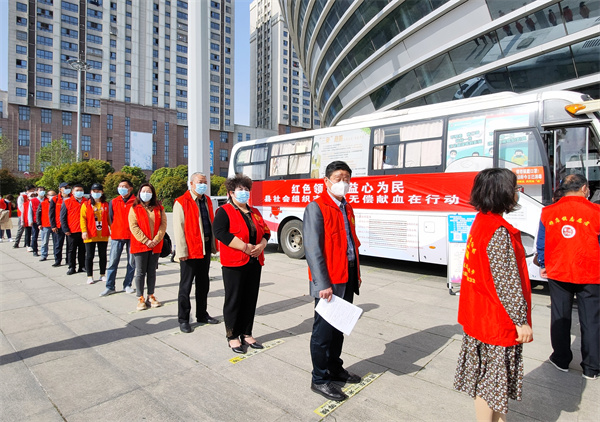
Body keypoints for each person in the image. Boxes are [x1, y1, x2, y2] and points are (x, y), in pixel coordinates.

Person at [454, 168, 533, 420]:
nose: (517, 193)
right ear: (503, 193)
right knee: (491, 384)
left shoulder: (481, 221)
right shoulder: (498, 231)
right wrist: (521, 322)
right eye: (515, 188)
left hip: (479, 313)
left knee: (489, 382)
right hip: (496, 320)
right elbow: (507, 283)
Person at [304, 161, 363, 402]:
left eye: (347, 178)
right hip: (329, 281)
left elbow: (351, 243)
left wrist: (356, 274)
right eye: (338, 178)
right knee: (323, 332)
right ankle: (319, 379)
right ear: (326, 181)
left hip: (347, 275)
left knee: (339, 327)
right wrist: (322, 284)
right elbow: (312, 249)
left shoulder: (346, 207)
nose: (344, 183)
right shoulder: (316, 207)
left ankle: (335, 368)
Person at [536, 174, 600, 380]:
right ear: (584, 188)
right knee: (591, 320)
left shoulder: (548, 212)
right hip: (590, 273)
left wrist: (544, 264)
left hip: (558, 272)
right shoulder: (596, 211)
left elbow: (542, 242)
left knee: (560, 316)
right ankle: (591, 367)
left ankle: (561, 359)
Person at [213, 174, 270, 353]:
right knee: (234, 300)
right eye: (240, 189)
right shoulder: (224, 211)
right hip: (234, 263)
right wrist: (245, 247)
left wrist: (261, 246)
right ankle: (232, 335)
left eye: (246, 189)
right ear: (231, 193)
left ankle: (247, 333)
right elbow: (220, 232)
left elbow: (266, 232)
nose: (244, 192)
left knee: (250, 298)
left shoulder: (255, 212)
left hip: (254, 261)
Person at [174, 172, 219, 334]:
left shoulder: (207, 200)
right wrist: (182, 251)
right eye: (200, 182)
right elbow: (178, 229)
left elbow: (210, 222)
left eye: (205, 182)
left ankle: (202, 314)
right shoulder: (181, 202)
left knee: (203, 284)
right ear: (191, 184)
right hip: (190, 250)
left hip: (204, 248)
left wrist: (213, 245)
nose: (203, 184)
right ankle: (184, 319)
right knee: (185, 287)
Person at [128, 183, 166, 311]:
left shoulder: (159, 208)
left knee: (151, 271)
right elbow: (133, 226)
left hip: (155, 245)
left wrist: (155, 240)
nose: (146, 193)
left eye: (148, 191)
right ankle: (140, 297)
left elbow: (163, 225)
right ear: (139, 193)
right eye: (143, 191)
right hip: (140, 245)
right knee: (140, 272)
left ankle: (151, 295)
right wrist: (145, 240)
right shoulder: (134, 208)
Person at [101, 179, 137, 296]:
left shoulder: (136, 201)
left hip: (132, 236)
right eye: (120, 186)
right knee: (113, 262)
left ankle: (127, 284)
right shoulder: (114, 201)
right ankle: (110, 286)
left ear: (130, 188)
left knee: (131, 262)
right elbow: (111, 218)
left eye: (124, 186)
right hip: (117, 235)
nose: (121, 188)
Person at [81, 184, 110, 285]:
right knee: (89, 256)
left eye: (98, 191)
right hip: (90, 234)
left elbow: (109, 219)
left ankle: (102, 274)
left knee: (103, 255)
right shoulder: (86, 204)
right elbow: (83, 219)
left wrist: (113, 229)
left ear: (102, 192)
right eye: (94, 191)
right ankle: (90, 276)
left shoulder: (106, 204)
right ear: (91, 192)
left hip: (103, 234)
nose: (96, 193)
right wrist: (84, 231)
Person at [60, 184, 87, 275]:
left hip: (84, 230)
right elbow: (62, 217)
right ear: (72, 192)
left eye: (81, 190)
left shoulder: (86, 201)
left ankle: (82, 266)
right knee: (71, 250)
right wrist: (65, 229)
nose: (79, 192)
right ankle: (72, 267)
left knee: (83, 250)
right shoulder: (67, 202)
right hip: (72, 230)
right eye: (77, 190)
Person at [49, 183, 71, 267]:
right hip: (58, 225)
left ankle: (68, 260)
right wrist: (53, 225)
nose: (67, 189)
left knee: (70, 245)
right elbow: (51, 213)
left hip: (70, 225)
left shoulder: (72, 198)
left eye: (68, 187)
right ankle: (57, 260)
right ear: (60, 189)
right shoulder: (55, 199)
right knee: (58, 244)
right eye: (65, 187)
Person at [36, 189, 56, 261]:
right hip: (45, 225)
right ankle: (44, 255)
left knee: (56, 242)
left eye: (54, 195)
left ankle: (56, 255)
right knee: (44, 242)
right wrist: (39, 223)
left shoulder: (57, 203)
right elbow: (38, 214)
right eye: (51, 195)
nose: (53, 197)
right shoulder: (43, 203)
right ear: (47, 196)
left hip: (55, 225)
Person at [13, 185, 35, 249]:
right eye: (33, 189)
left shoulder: (33, 195)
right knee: (21, 229)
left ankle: (27, 242)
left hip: (30, 214)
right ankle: (16, 243)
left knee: (28, 230)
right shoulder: (22, 196)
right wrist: (26, 212)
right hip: (23, 214)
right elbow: (20, 206)